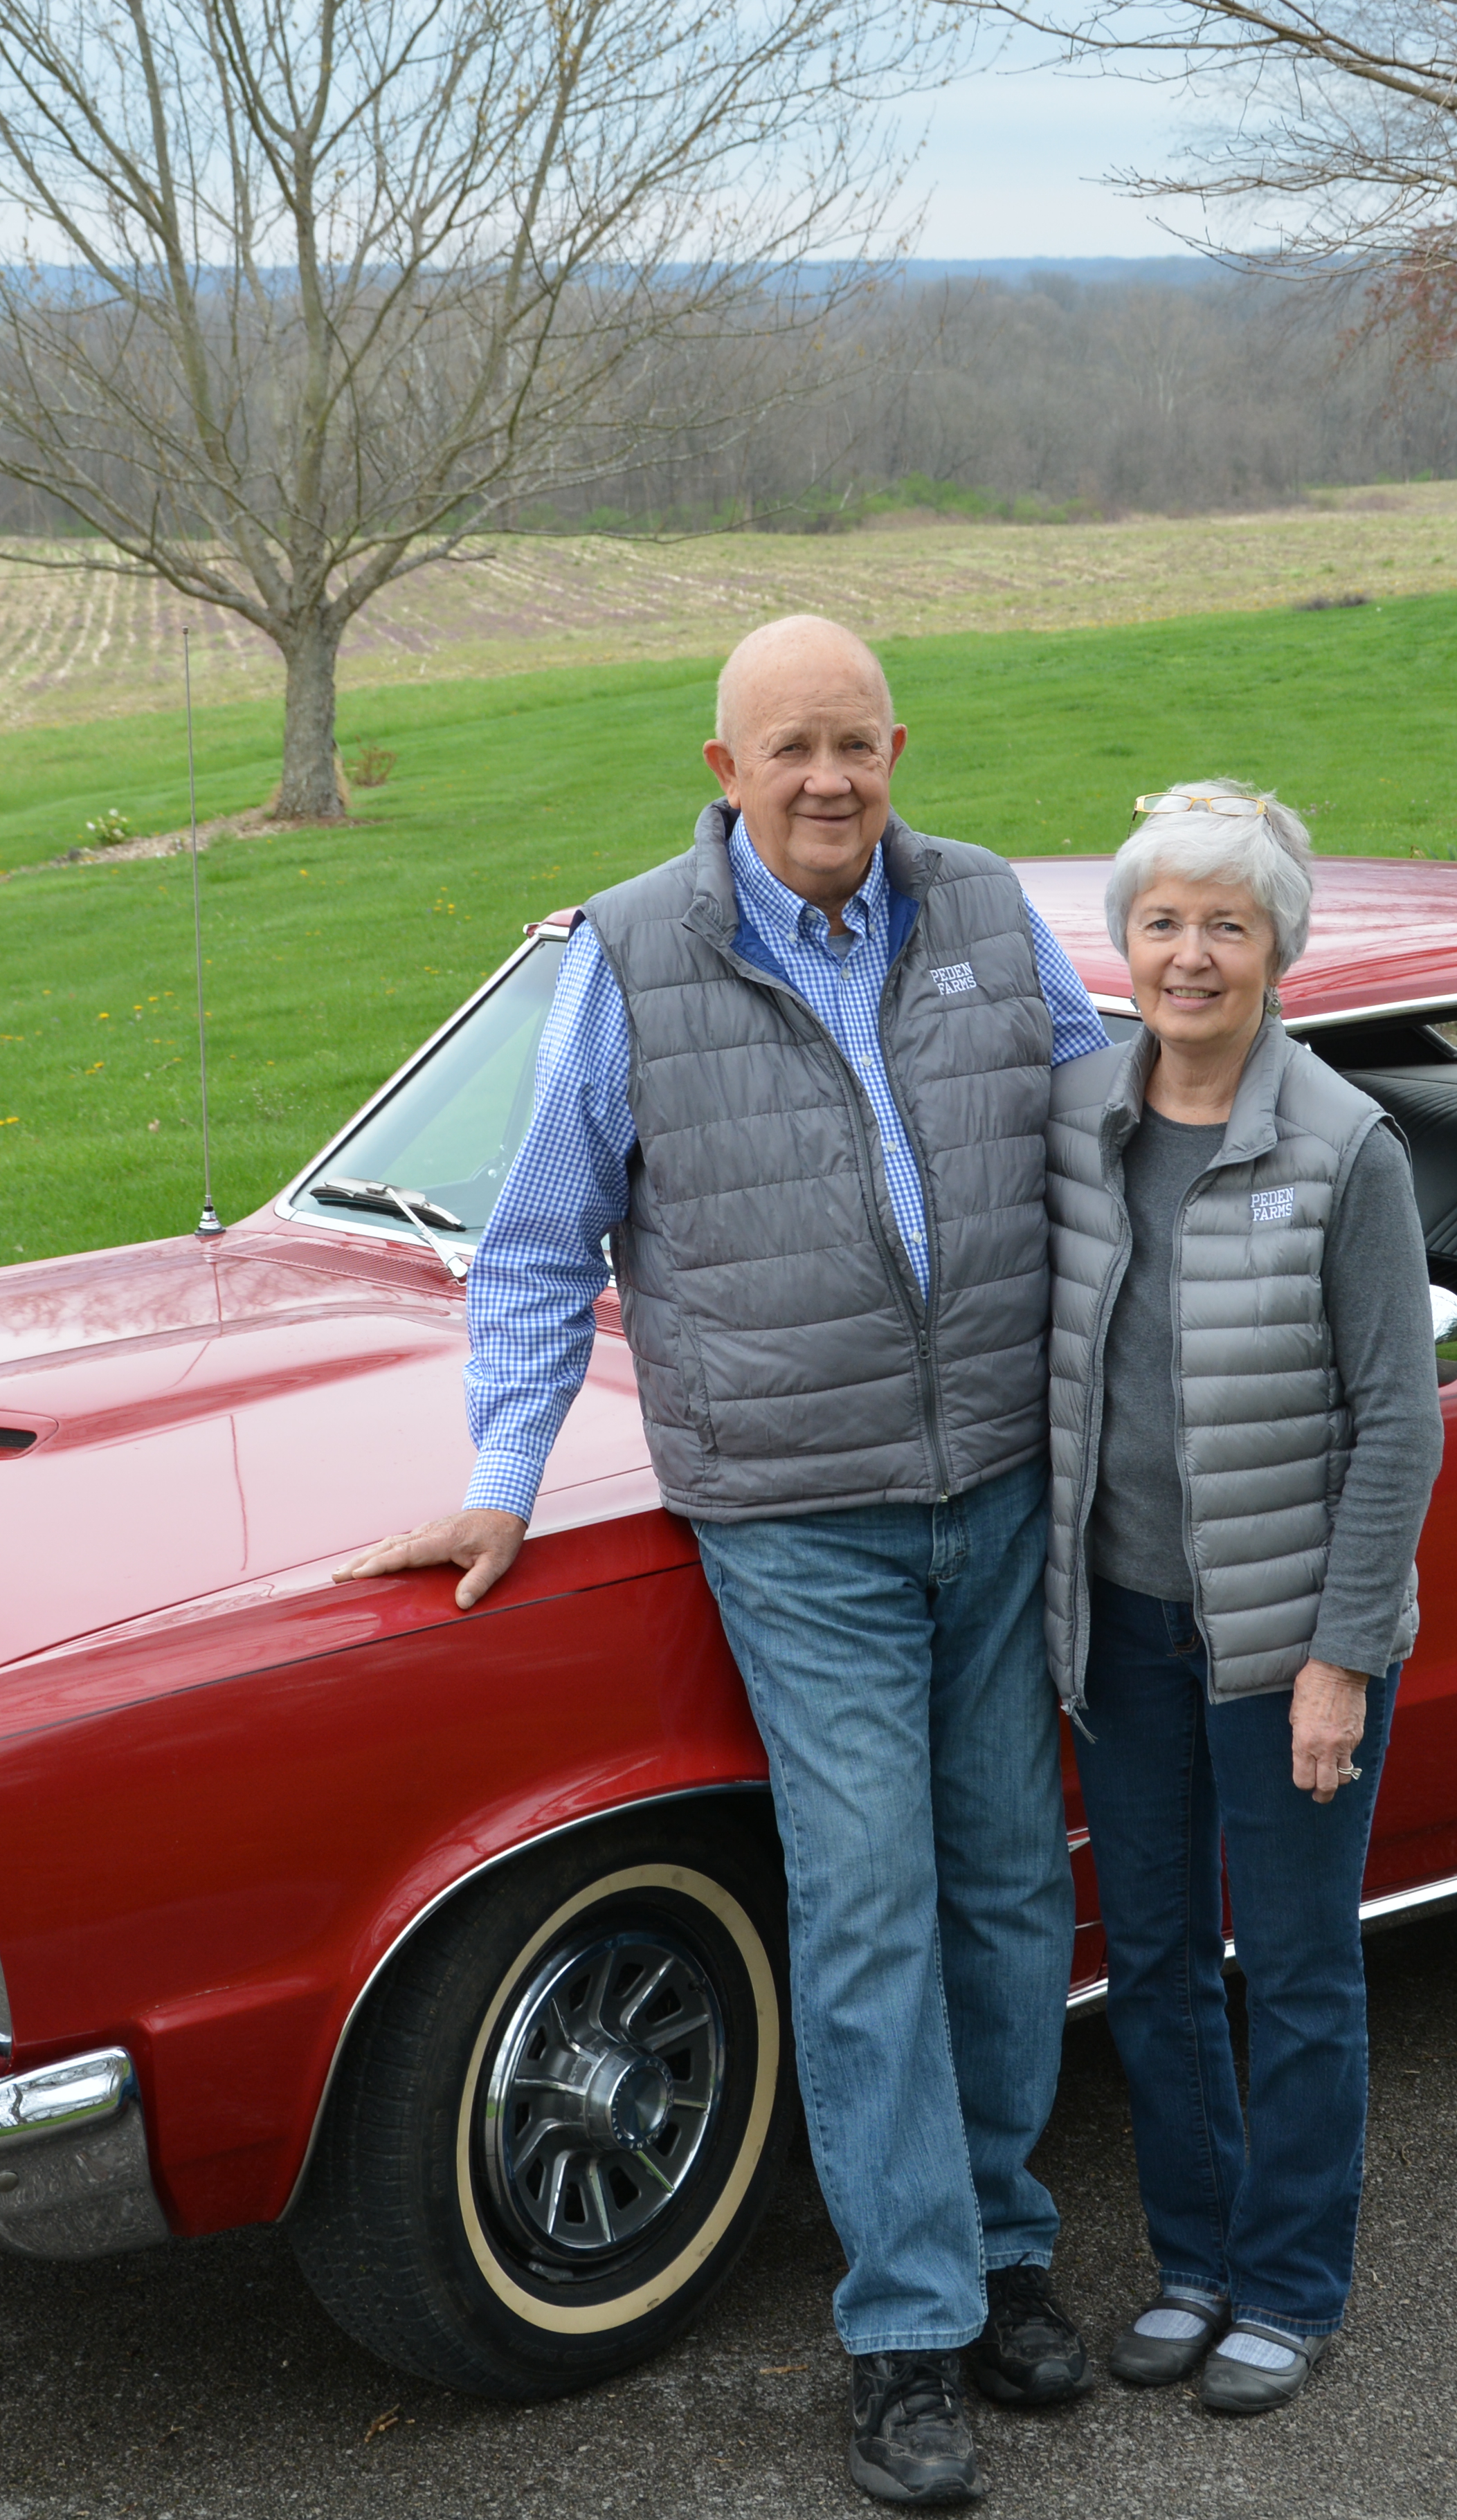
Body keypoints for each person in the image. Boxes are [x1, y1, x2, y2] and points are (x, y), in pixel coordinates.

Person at [342, 615, 1114, 2510]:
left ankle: (1012, 2254)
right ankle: (911, 2333)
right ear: (724, 770)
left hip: (1002, 1491)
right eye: (789, 749)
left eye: (855, 743)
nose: (827, 779)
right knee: (868, 1908)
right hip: (799, 1515)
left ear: (899, 746)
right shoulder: (630, 959)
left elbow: (1111, 1149)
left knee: (1014, 1887)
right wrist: (505, 1479)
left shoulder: (994, 916)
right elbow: (536, 1245)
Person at [1042, 780, 1440, 2416]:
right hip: (1122, 1629)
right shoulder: (1078, 1116)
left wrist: (1341, 1655)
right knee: (1149, 1958)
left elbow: (1398, 1416)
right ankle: (1192, 2262)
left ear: (1278, 948)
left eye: (1227, 924)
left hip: (1290, 1643)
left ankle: (1288, 2285)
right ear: (1122, 942)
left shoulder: (1344, 1142)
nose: (1190, 954)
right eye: (1163, 921)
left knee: (1292, 1967)